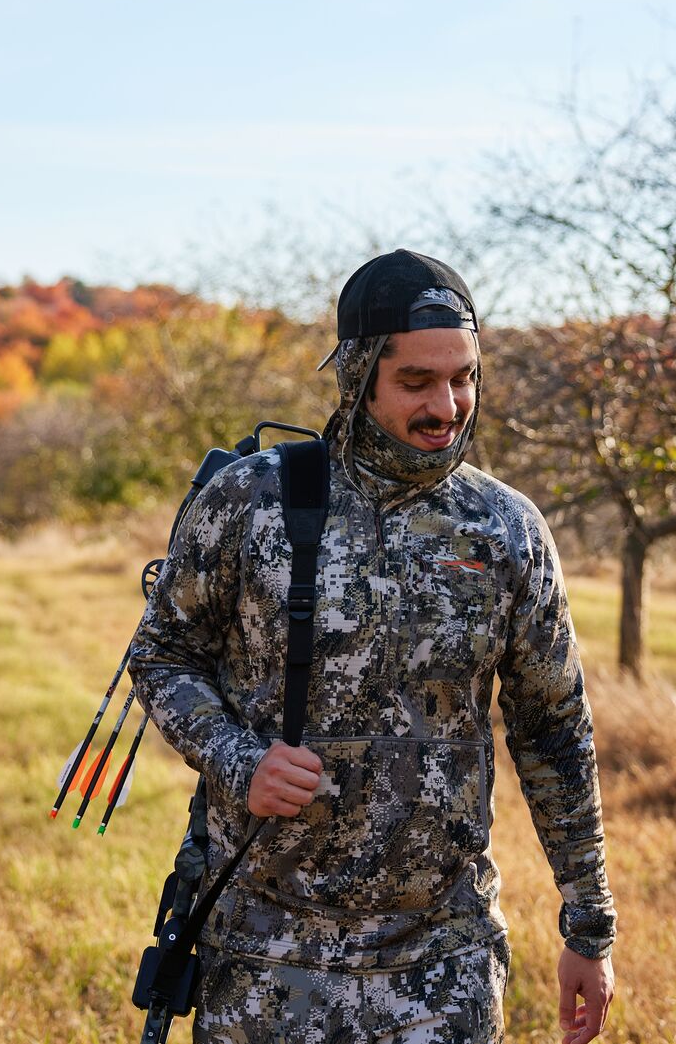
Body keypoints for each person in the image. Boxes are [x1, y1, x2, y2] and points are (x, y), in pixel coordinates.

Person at [128, 249, 616, 1044]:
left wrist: (589, 927)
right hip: (266, 950)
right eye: (417, 382)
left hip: (441, 957)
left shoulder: (506, 528)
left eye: (462, 377)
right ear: (357, 376)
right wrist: (236, 758)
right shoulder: (252, 502)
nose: (447, 405)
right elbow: (161, 653)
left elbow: (554, 727)